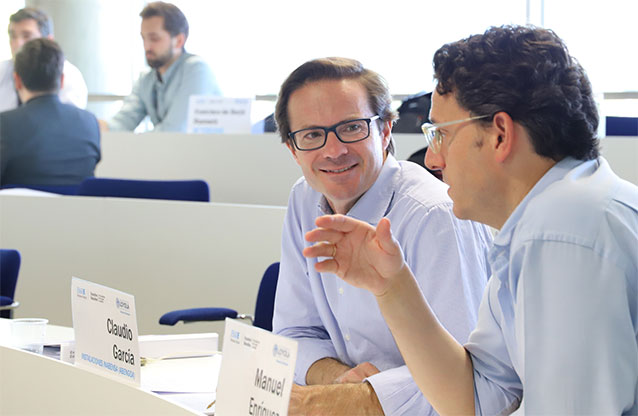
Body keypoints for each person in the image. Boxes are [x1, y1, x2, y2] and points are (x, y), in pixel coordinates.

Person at [303, 26, 638, 415]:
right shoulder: (544, 220)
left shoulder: (562, 233)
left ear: (500, 135)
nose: (432, 160)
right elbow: (476, 396)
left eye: (441, 135)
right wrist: (392, 288)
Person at [272, 57, 494, 415]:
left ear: (386, 130)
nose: (334, 150)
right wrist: (338, 379)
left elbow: (470, 379)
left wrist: (351, 398)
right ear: (292, 149)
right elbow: (293, 333)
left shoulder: (434, 215)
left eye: (352, 128)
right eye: (312, 135)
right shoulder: (304, 198)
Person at [101, 1, 221, 132]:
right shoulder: (146, 79)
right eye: (143, 38)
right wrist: (93, 127)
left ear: (179, 41)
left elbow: (174, 131)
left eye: (154, 39)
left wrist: (133, 140)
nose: (146, 46)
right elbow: (122, 122)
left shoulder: (197, 70)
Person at [0, 38, 100, 187]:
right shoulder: (89, 122)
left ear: (17, 81)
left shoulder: (5, 124)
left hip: (18, 202)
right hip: (75, 203)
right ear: (61, 80)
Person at [0, 7, 88, 113]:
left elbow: (68, 119)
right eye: (13, 36)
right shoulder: (3, 71)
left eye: (26, 36)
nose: (17, 44)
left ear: (48, 41)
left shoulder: (69, 75)